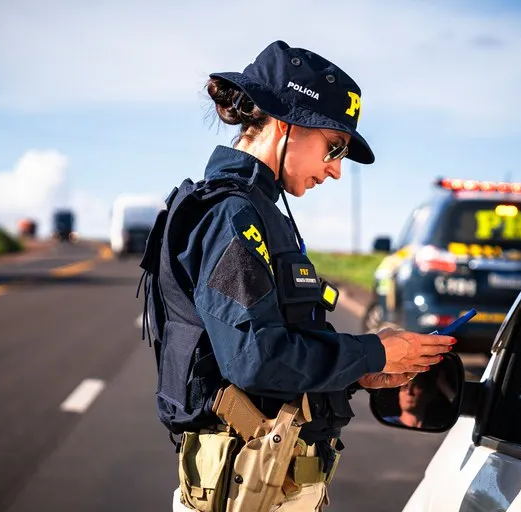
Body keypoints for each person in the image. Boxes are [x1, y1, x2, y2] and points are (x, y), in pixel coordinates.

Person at [138, 40, 457, 512]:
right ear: (285, 123)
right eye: (334, 147)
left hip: (267, 485)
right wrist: (372, 350)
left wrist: (363, 371)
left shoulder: (261, 213)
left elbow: (275, 363)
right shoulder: (235, 217)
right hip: (246, 491)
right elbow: (255, 358)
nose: (335, 170)